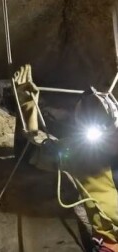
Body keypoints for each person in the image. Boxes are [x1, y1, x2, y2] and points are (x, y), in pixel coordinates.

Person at [13, 64, 118, 252]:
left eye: (101, 114)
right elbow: (29, 154)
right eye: (90, 117)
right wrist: (28, 106)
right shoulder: (81, 153)